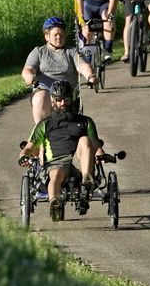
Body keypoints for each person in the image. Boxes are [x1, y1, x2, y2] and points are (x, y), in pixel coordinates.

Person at [18, 79, 105, 222]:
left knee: (85, 140)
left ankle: (86, 182)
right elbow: (29, 147)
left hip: (79, 162)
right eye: (59, 100)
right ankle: (55, 203)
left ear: (72, 99)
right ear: (53, 101)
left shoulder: (85, 121)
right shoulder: (44, 124)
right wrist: (23, 157)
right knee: (56, 174)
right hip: (55, 163)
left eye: (66, 99)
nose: (63, 103)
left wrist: (101, 155)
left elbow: (96, 146)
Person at [21, 15, 95, 125]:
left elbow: (82, 65)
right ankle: (42, 132)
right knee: (41, 98)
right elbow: (28, 69)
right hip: (45, 90)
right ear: (47, 36)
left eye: (61, 34)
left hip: (67, 91)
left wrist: (90, 76)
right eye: (55, 35)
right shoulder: (39, 52)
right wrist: (30, 77)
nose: (59, 37)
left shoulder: (72, 52)